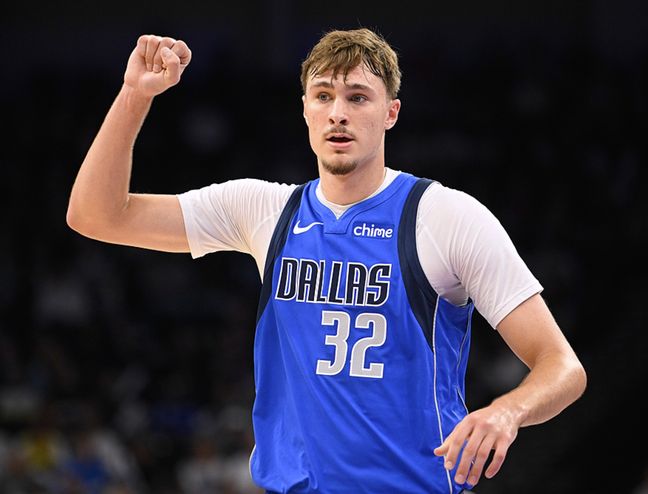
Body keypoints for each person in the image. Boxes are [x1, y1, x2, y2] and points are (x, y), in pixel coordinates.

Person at [67, 28, 587, 493]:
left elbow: (563, 367)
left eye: (357, 97)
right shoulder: (265, 209)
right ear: (306, 110)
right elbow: (95, 215)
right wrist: (135, 94)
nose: (338, 112)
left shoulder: (445, 216)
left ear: (391, 113)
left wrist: (508, 411)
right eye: (323, 96)